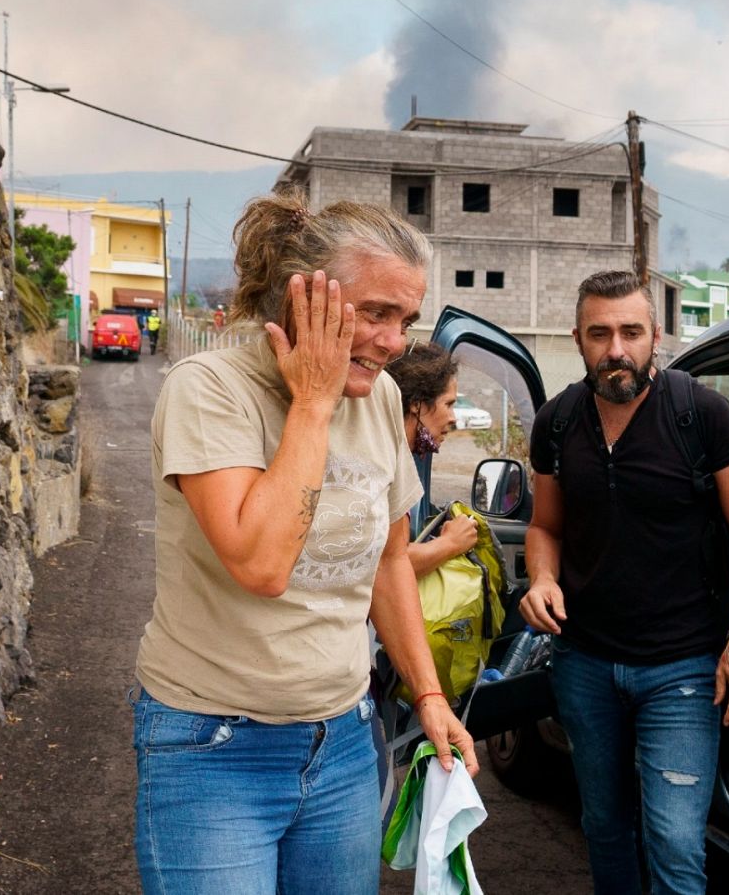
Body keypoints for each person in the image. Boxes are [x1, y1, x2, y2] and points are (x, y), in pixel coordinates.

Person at [134, 193, 477, 895]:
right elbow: (260, 563)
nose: (391, 342)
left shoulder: (380, 396)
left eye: (404, 320)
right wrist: (314, 404)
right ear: (301, 296)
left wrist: (430, 694)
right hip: (212, 748)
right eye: (375, 312)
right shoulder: (210, 390)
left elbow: (389, 560)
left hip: (344, 745)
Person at [520, 269, 729, 894]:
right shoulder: (556, 423)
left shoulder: (701, 415)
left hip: (683, 669)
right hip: (584, 663)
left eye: (631, 332)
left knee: (675, 842)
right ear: (577, 338)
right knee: (604, 826)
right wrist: (542, 578)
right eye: (600, 333)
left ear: (655, 336)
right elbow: (544, 527)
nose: (616, 349)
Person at [385, 340, 479, 576]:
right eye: (448, 404)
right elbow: (387, 564)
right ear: (417, 404)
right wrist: (451, 543)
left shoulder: (396, 455)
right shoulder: (386, 462)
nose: (453, 418)